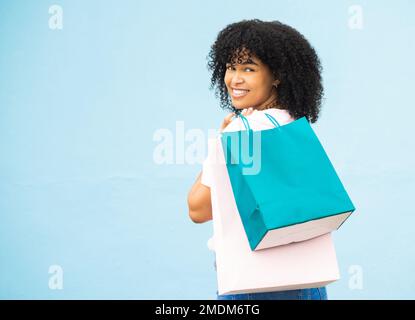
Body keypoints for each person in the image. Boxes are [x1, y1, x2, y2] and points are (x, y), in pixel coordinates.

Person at [187, 19, 327, 300]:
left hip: (256, 286)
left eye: (248, 69)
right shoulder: (293, 125)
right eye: (230, 67)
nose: (234, 79)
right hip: (309, 282)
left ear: (276, 75)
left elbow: (198, 210)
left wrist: (219, 143)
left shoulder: (240, 131)